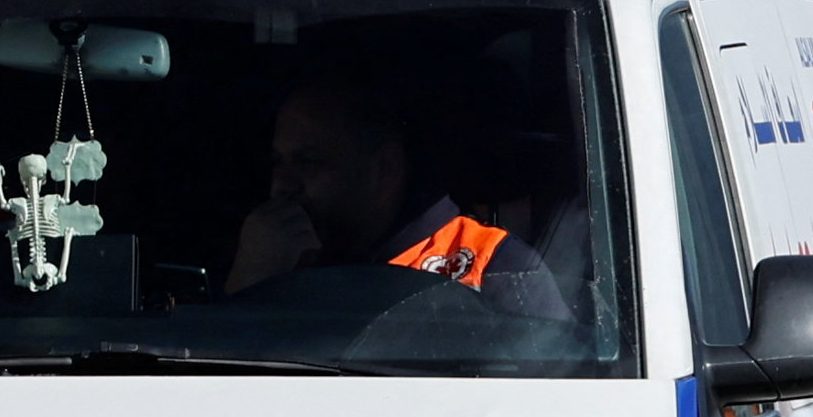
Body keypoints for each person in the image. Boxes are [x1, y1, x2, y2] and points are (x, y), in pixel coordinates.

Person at [231, 74, 578, 329]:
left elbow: (554, 397)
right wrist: (251, 280)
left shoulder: (495, 266)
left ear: (385, 168)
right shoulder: (278, 254)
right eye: (278, 162)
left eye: (308, 163)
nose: (283, 184)